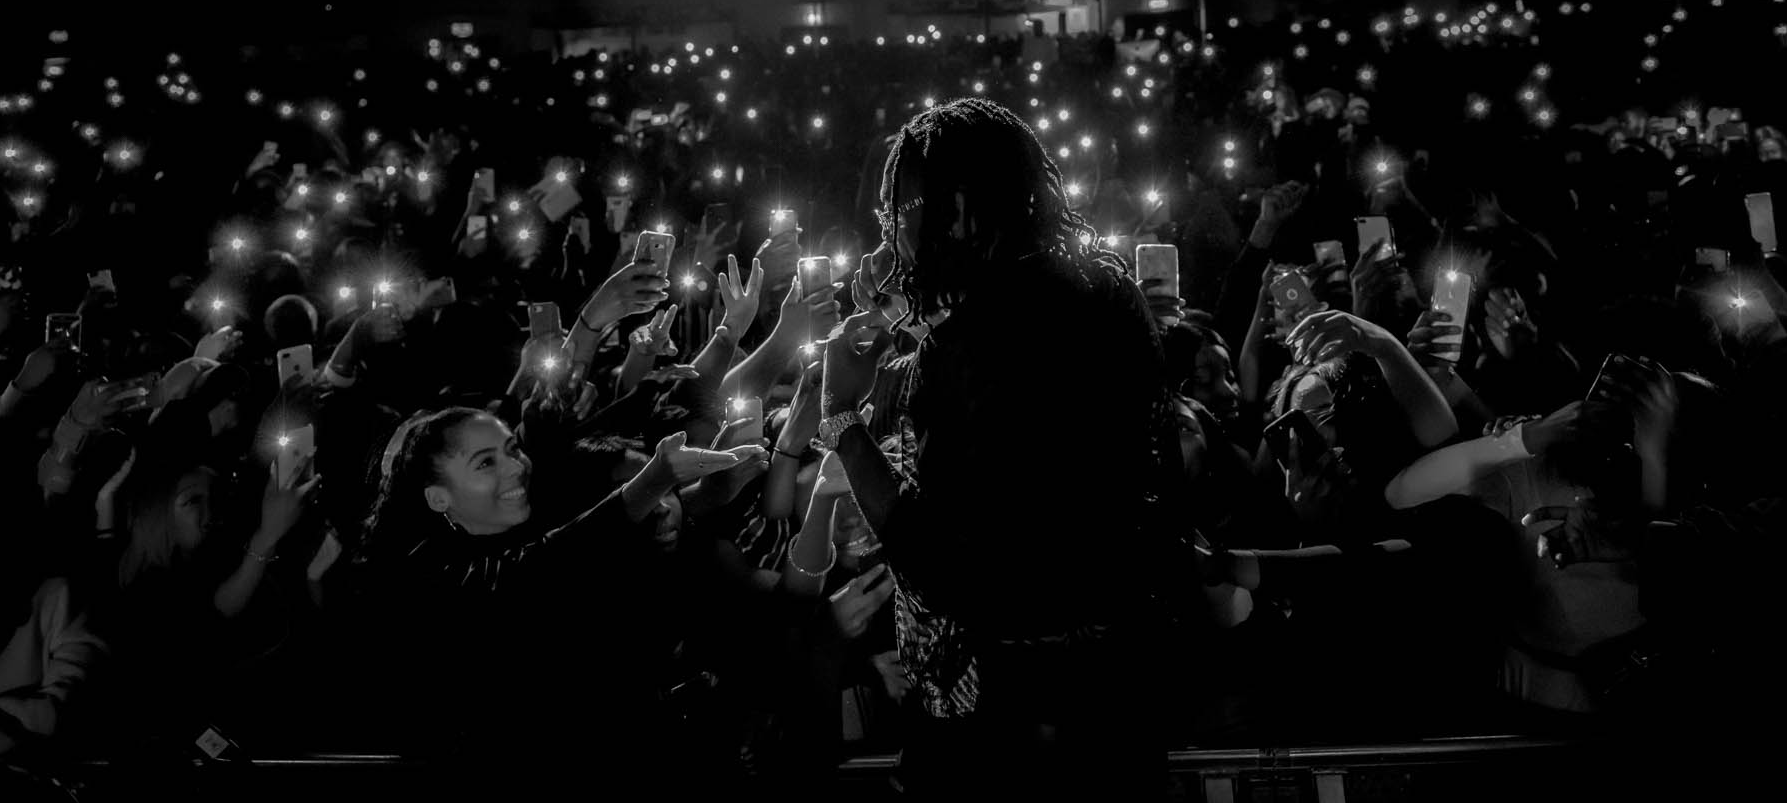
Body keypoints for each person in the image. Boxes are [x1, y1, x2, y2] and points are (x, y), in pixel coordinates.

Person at [815, 98, 1182, 799]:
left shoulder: (966, 346)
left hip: (1004, 732)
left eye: (900, 211)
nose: (892, 233)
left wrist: (842, 420)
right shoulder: (1108, 297)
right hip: (1117, 701)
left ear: (954, 208)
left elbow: (941, 567)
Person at [348, 406, 764, 759]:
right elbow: (540, 568)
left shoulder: (508, 526)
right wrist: (652, 481)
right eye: (485, 462)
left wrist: (700, 496)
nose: (515, 467)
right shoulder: (422, 577)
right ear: (438, 497)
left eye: (513, 450)